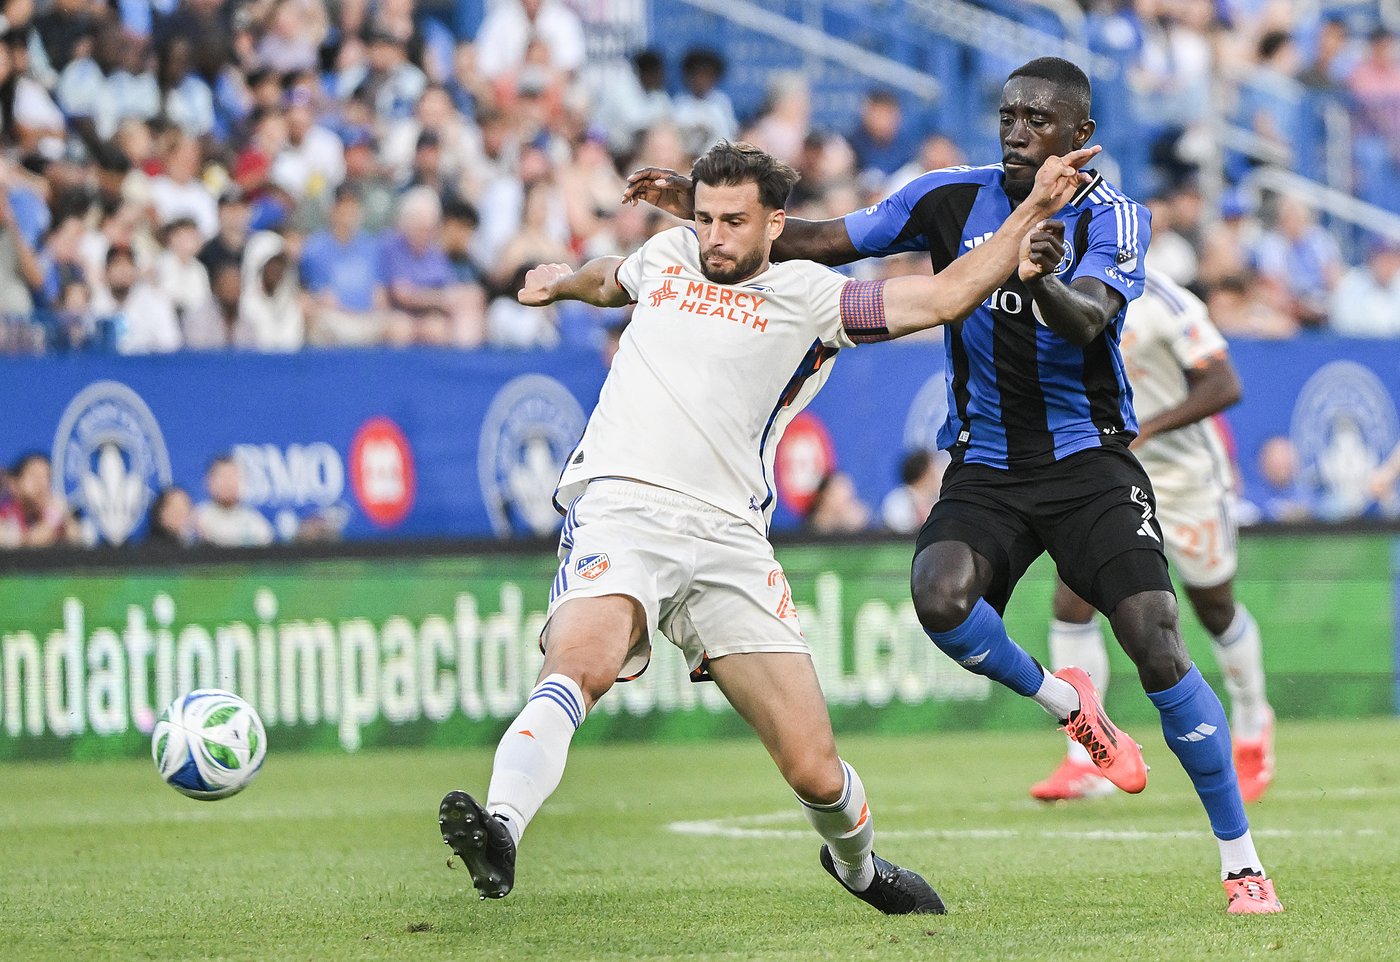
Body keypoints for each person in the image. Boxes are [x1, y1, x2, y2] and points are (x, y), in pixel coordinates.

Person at [625, 56, 1281, 915]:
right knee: (938, 600)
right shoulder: (946, 197)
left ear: (1079, 137)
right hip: (987, 465)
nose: (1016, 129)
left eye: (1039, 119)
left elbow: (1091, 322)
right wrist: (724, 223)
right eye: (1008, 113)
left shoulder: (1115, 217)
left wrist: (1039, 275)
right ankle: (1067, 703)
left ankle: (1241, 861)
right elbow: (827, 240)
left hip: (1088, 463)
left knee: (1157, 638)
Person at [438, 137, 1098, 911]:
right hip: (622, 507)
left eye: (733, 222)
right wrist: (562, 285)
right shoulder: (667, 254)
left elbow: (945, 298)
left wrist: (1031, 211)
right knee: (579, 661)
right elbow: (608, 279)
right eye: (705, 217)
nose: (713, 236)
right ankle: (503, 829)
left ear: (775, 224)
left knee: (815, 770)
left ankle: (861, 871)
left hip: (728, 540)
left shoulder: (814, 299)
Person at [1031, 271, 1276, 807]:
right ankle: (1087, 758)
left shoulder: (1164, 299)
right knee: (1073, 599)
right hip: (1106, 471)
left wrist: (1149, 428)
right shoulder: (1049, 289)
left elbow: (1224, 384)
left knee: (1214, 606)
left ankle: (1254, 724)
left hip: (1184, 475)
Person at [195, 454, 274, 547]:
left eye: (232, 476)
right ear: (209, 481)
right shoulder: (198, 519)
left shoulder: (255, 522)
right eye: (223, 476)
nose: (228, 483)